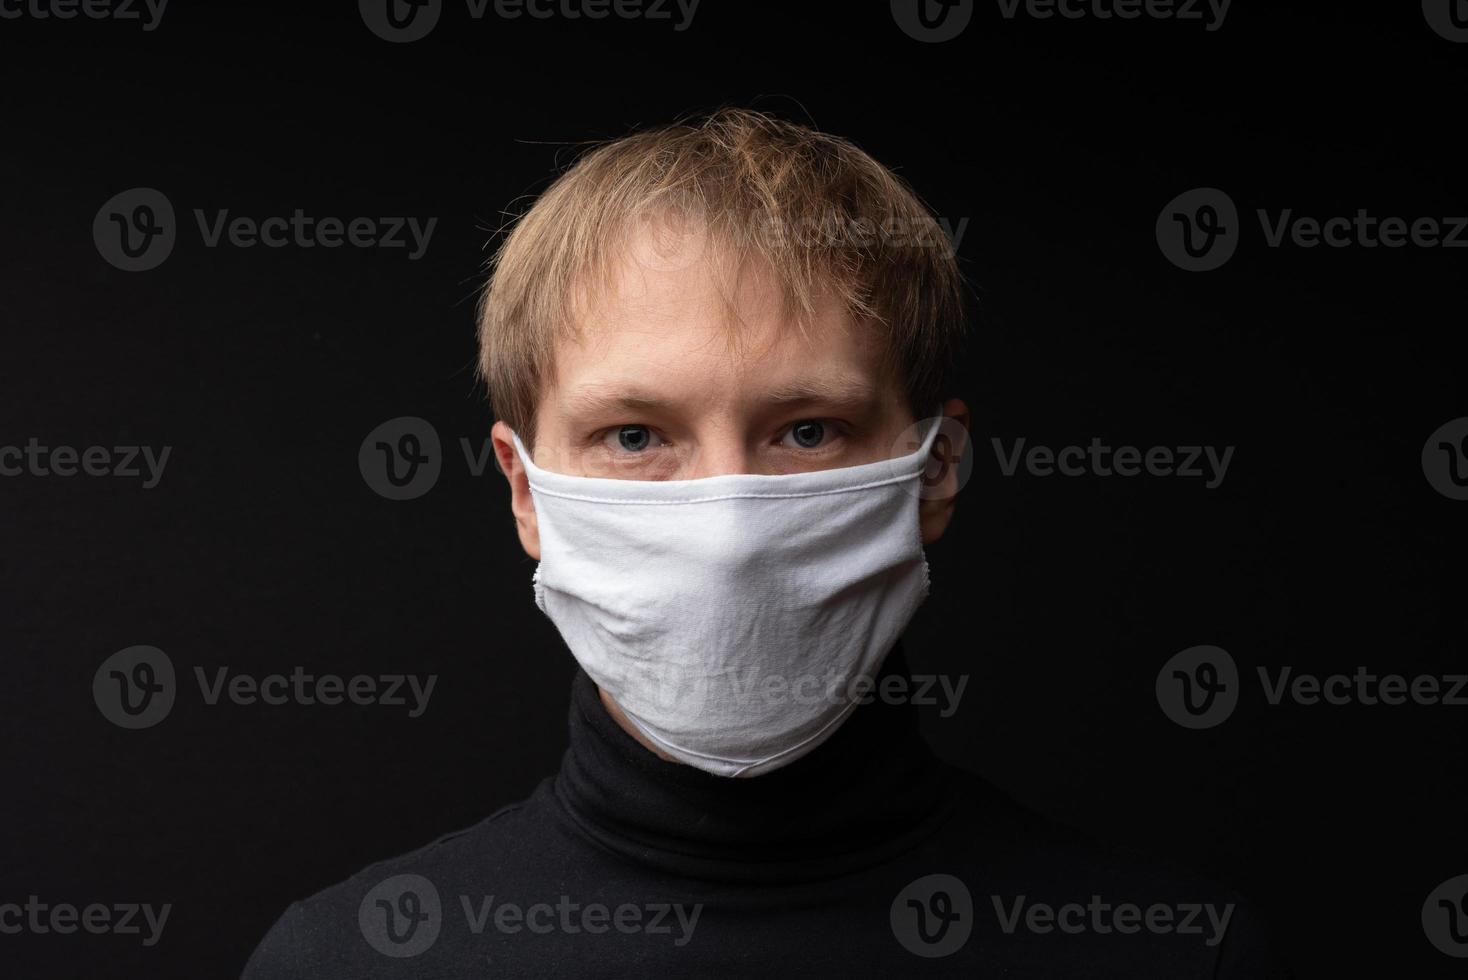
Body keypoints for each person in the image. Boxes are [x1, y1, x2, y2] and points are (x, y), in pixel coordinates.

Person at [242, 108, 1283, 977]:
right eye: (635, 435)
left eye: (805, 429)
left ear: (933, 471)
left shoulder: (1176, 955)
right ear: (525, 489)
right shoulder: (343, 961)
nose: (730, 532)